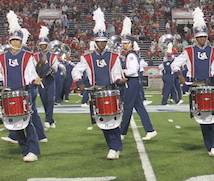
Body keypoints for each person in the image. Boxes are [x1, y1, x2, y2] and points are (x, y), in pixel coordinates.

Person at [0, 11, 42, 162]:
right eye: (14, 40)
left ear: (21, 42)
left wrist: (34, 80)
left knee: (28, 121)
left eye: (18, 40)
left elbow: (31, 73)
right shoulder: (1, 56)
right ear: (10, 41)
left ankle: (33, 150)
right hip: (7, 92)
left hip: (24, 91)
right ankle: (24, 149)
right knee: (13, 123)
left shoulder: (27, 56)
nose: (16, 43)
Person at [71, 9, 125, 159]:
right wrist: (80, 83)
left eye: (103, 41)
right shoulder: (87, 57)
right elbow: (76, 71)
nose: (101, 44)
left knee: (113, 119)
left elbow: (115, 74)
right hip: (96, 92)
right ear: (95, 42)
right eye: (99, 41)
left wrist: (119, 81)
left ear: (106, 42)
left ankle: (114, 147)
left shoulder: (114, 56)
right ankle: (113, 146)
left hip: (111, 90)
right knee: (103, 121)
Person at [171, 8, 214, 156]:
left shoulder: (213, 51)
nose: (201, 40)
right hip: (195, 85)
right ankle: (209, 145)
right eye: (199, 37)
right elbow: (174, 64)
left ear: (207, 37)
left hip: (209, 85)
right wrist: (179, 76)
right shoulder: (188, 50)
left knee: (212, 116)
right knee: (201, 117)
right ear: (195, 37)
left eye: (204, 37)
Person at [119, 17, 157, 141]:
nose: (123, 45)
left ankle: (122, 132)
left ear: (130, 43)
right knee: (139, 107)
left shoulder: (130, 56)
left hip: (132, 82)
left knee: (128, 107)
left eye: (125, 43)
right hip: (133, 82)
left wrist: (121, 72)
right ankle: (150, 130)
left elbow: (132, 71)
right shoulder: (130, 55)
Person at [35, 26, 59, 128]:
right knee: (44, 99)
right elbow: (33, 68)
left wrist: (51, 69)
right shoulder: (35, 56)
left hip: (50, 79)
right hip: (40, 80)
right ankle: (50, 119)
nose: (43, 47)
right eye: (41, 45)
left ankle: (48, 119)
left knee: (50, 99)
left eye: (45, 45)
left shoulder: (53, 55)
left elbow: (55, 67)